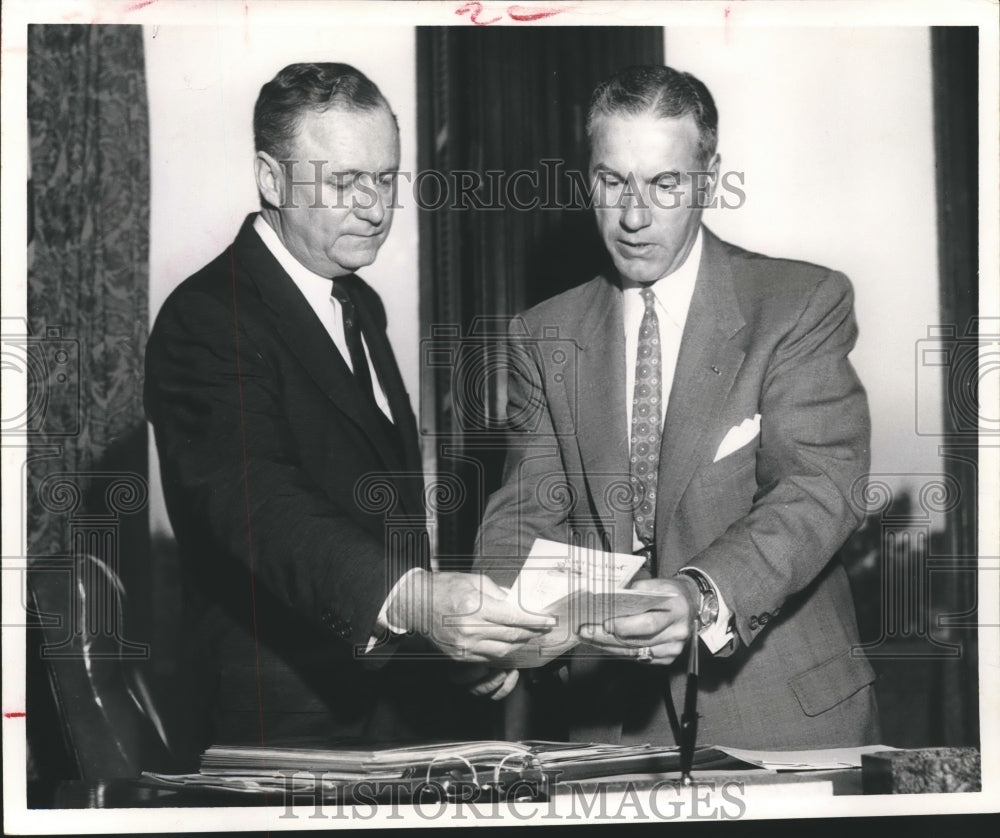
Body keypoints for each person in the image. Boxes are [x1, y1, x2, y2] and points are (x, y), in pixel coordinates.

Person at [144, 63, 549, 754]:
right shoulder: (206, 318)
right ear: (271, 179)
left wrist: (445, 649)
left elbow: (381, 513)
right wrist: (419, 602)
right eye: (342, 182)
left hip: (391, 703)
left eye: (386, 179)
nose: (373, 206)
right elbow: (259, 504)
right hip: (279, 720)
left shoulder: (358, 303)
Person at [473, 64, 879, 749]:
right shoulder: (542, 334)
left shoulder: (798, 305)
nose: (634, 216)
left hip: (787, 719)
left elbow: (820, 487)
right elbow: (527, 512)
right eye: (612, 183)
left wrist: (698, 594)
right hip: (612, 732)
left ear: (709, 179)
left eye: (665, 184)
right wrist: (490, 625)